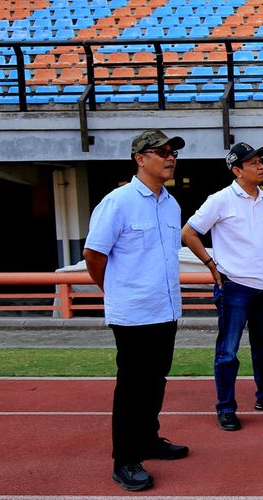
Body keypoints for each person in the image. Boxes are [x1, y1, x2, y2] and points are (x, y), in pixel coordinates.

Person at [83, 129, 189, 492]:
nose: (170, 157)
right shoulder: (118, 202)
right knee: (132, 387)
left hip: (165, 308)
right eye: (160, 152)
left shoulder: (171, 203)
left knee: (156, 380)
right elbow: (94, 256)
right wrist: (118, 293)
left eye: (172, 152)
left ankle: (148, 439)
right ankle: (124, 459)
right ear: (140, 159)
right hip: (134, 313)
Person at [181, 142, 263, 433]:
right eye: (253, 162)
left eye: (260, 161)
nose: (260, 166)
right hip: (234, 286)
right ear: (236, 170)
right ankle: (226, 408)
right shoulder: (220, 200)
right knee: (228, 351)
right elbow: (189, 232)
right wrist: (210, 264)